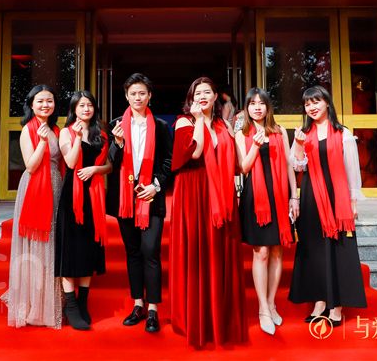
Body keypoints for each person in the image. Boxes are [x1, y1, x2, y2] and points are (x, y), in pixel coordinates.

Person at [169, 76, 248, 348]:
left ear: (216, 97)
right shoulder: (185, 122)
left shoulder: (223, 125)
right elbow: (195, 152)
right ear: (191, 98)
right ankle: (196, 318)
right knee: (197, 252)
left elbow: (236, 162)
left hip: (221, 193)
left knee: (219, 251)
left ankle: (221, 316)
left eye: (207, 92)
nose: (202, 96)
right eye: (197, 93)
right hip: (194, 192)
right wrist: (199, 120)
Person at [288, 85, 367, 326]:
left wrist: (353, 201)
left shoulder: (342, 134)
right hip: (312, 196)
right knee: (314, 250)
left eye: (316, 102)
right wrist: (299, 144)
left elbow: (352, 170)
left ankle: (337, 306)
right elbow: (297, 166)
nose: (312, 107)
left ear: (327, 103)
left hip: (337, 197)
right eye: (307, 104)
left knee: (337, 249)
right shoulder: (303, 133)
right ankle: (320, 302)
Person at [107, 73, 173, 333]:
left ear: (149, 96)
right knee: (133, 252)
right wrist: (117, 143)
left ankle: (153, 308)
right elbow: (112, 162)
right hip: (126, 197)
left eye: (142, 93)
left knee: (150, 250)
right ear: (126, 96)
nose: (138, 97)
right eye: (133, 93)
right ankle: (138, 304)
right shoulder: (116, 125)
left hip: (151, 195)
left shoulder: (161, 126)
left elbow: (168, 162)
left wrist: (155, 186)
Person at [235, 87, 298, 336]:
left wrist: (294, 196)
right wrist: (255, 145)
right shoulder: (241, 133)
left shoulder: (279, 131)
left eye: (261, 103)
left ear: (268, 107)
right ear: (247, 108)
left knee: (277, 251)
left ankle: (271, 303)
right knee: (261, 252)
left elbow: (289, 165)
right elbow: (242, 167)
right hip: (256, 197)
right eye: (252, 104)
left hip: (280, 194)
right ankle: (262, 308)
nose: (257, 107)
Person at [3, 84, 63, 329]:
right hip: (35, 186)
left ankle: (50, 300)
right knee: (37, 244)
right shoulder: (28, 129)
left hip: (56, 185)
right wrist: (42, 141)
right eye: (40, 101)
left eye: (49, 101)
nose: (45, 105)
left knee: (53, 243)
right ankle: (33, 305)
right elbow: (30, 165)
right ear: (31, 104)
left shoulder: (58, 129)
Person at [55, 91, 112, 330]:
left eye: (89, 105)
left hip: (93, 194)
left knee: (89, 246)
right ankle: (71, 306)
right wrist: (78, 138)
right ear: (74, 109)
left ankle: (83, 302)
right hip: (73, 195)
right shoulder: (66, 132)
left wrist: (95, 170)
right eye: (81, 105)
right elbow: (70, 162)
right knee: (70, 249)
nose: (86, 109)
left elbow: (109, 165)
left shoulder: (101, 134)